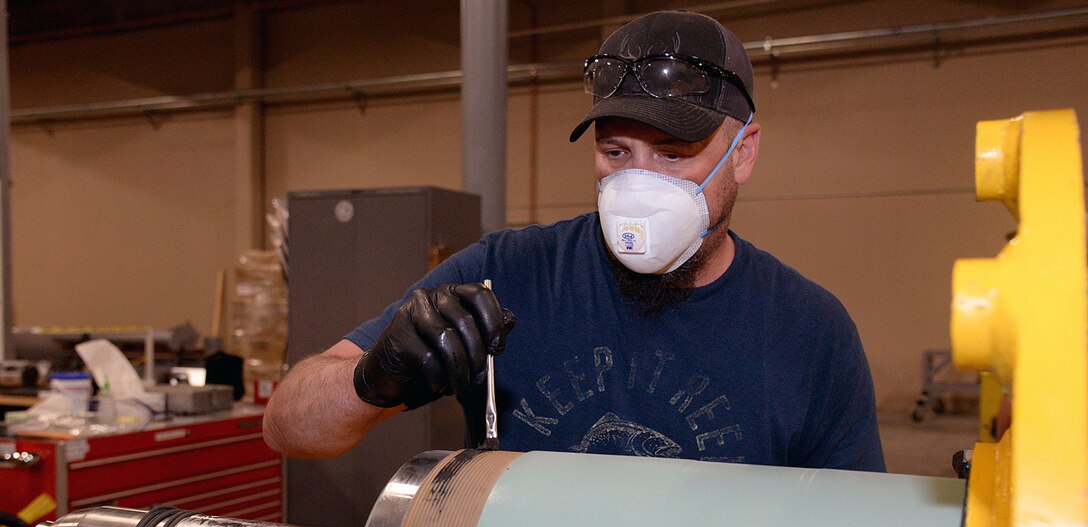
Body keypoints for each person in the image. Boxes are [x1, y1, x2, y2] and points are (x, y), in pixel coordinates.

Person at [263, 9, 885, 472]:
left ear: (743, 153)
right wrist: (372, 377)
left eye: (672, 155)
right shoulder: (506, 274)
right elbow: (287, 426)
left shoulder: (810, 332)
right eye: (615, 152)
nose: (639, 183)